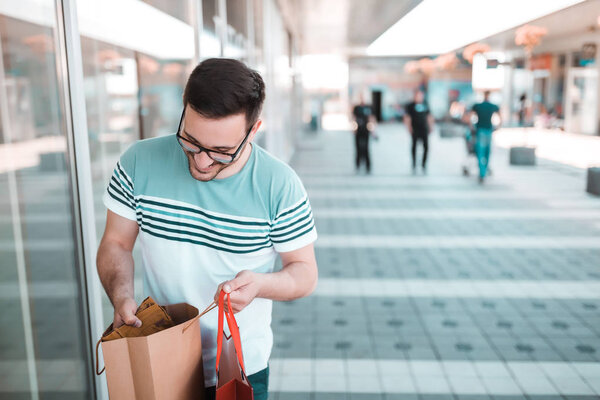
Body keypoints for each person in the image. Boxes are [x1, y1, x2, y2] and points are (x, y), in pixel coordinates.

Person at [96, 58, 318, 400]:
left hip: (240, 366)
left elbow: (304, 273)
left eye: (221, 152)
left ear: (253, 130)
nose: (201, 161)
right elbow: (115, 243)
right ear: (184, 110)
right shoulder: (138, 161)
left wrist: (260, 284)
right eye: (191, 141)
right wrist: (121, 296)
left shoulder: (280, 185)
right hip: (155, 352)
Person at [469, 90, 501, 183]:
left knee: (480, 152)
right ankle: (485, 170)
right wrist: (498, 126)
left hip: (480, 131)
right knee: (487, 152)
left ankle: (482, 172)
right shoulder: (493, 106)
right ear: (489, 96)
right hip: (488, 130)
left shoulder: (478, 106)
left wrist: (471, 126)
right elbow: (500, 115)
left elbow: (469, 117)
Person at [404, 90, 434, 174]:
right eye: (418, 96)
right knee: (414, 147)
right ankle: (414, 164)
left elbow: (429, 116)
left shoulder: (425, 104)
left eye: (421, 96)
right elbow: (407, 117)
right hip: (415, 129)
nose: (419, 97)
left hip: (424, 129)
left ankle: (423, 164)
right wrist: (409, 127)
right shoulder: (410, 106)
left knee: (426, 147)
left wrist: (431, 126)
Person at [352, 95, 376, 173]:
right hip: (358, 130)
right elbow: (354, 118)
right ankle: (358, 164)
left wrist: (372, 130)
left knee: (366, 148)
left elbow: (371, 119)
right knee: (358, 148)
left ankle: (367, 165)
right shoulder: (356, 108)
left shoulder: (368, 107)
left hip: (366, 130)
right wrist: (354, 128)